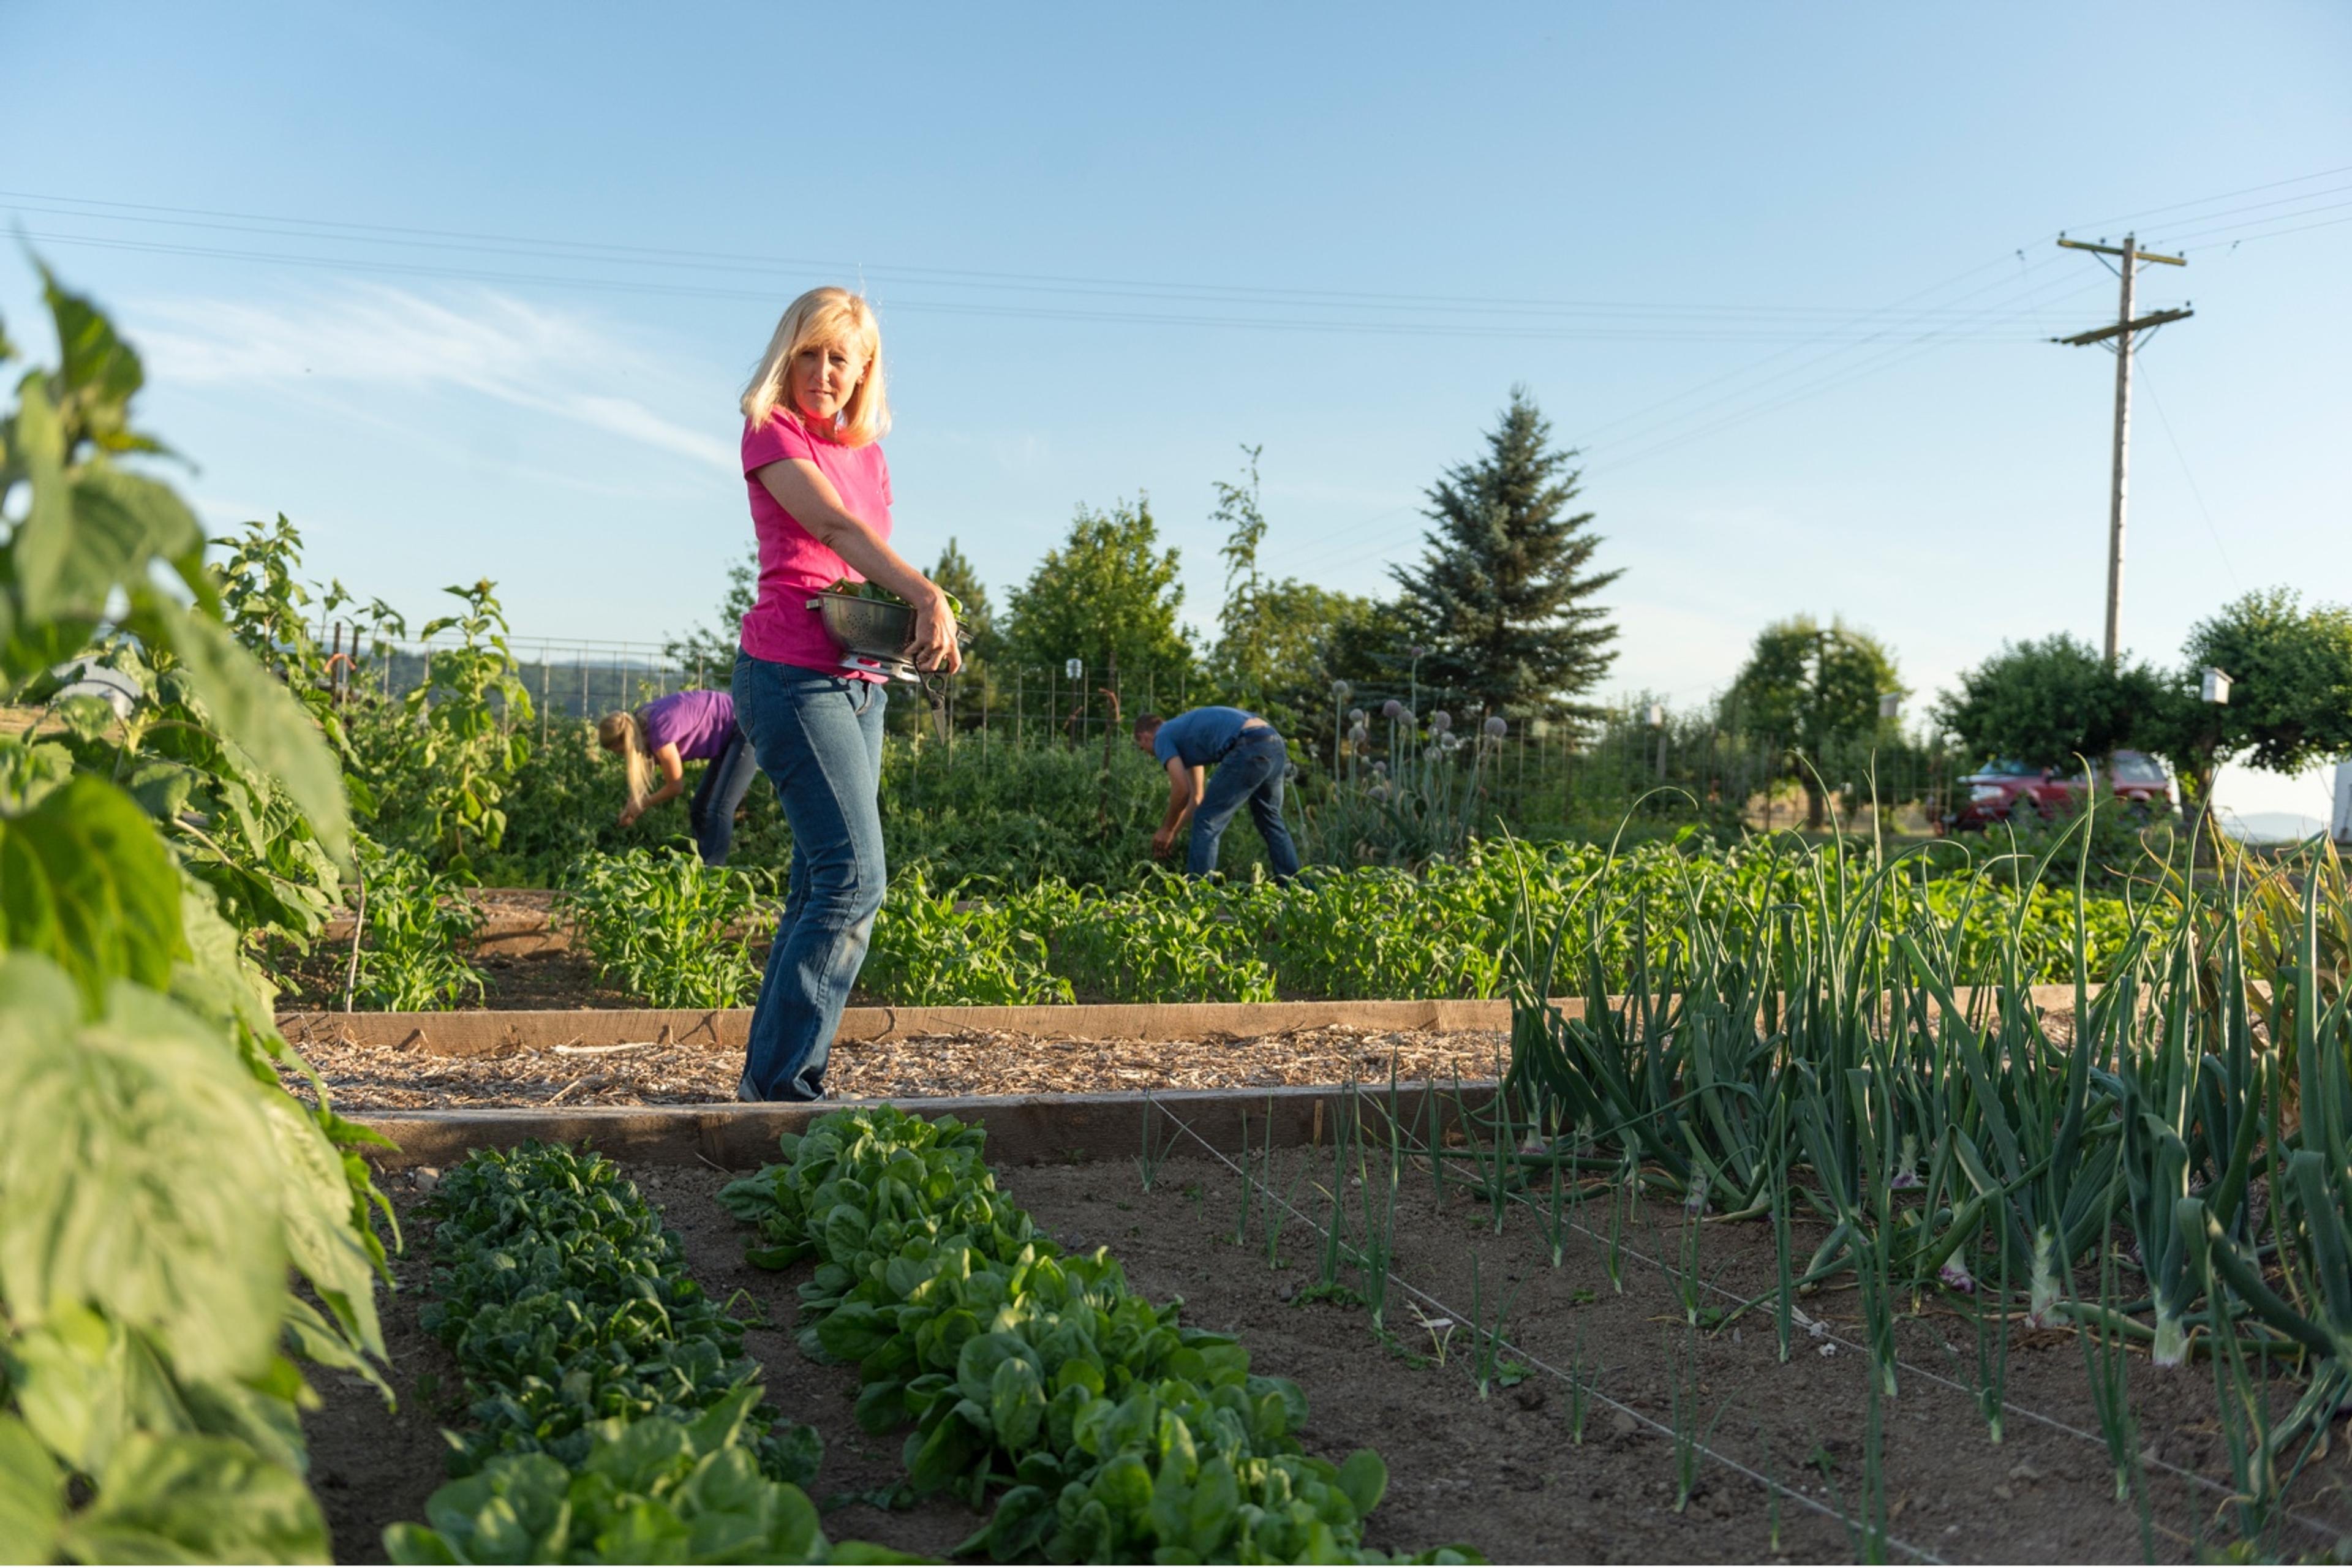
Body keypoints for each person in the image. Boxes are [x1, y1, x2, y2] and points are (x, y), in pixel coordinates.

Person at [731, 286, 960, 1102]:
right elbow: (834, 532)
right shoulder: (773, 431)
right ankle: (787, 1095)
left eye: (841, 358)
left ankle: (769, 1087)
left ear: (864, 371)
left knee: (819, 881)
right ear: (786, 356)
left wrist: (907, 633)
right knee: (854, 880)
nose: (823, 372)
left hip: (860, 681)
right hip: (791, 678)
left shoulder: (867, 452)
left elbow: (857, 566)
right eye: (809, 354)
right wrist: (930, 596)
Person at [1134, 706, 1302, 881]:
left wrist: (1166, 829)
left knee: (1207, 821)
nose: (1147, 754)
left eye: (1141, 748)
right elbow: (1196, 797)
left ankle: (1198, 895)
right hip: (1273, 741)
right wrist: (1173, 833)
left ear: (1145, 737)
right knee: (1271, 820)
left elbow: (1181, 790)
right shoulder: (1183, 734)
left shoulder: (1162, 736)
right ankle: (1295, 889)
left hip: (1248, 745)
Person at [595, 690, 758, 866]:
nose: (623, 757)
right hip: (727, 735)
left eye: (621, 752)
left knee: (719, 809)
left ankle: (713, 875)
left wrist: (642, 804)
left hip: (743, 726)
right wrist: (632, 805)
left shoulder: (659, 732)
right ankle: (703, 866)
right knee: (700, 809)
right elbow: (645, 762)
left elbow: (675, 787)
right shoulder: (638, 723)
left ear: (625, 743)